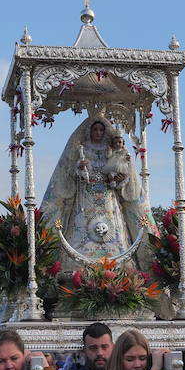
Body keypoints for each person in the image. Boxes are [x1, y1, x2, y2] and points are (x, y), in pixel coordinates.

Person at [39, 114, 149, 268]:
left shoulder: (112, 150)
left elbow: (122, 171)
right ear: (90, 131)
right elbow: (75, 173)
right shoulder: (82, 148)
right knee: (82, 226)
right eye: (95, 130)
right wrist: (81, 167)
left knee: (113, 225)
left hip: (108, 195)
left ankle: (117, 265)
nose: (98, 133)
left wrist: (118, 178)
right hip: (86, 195)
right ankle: (76, 266)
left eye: (100, 130)